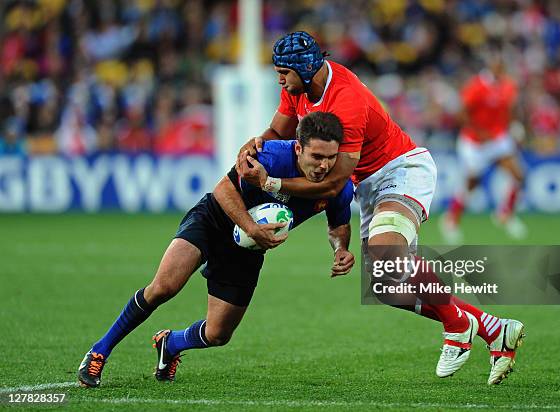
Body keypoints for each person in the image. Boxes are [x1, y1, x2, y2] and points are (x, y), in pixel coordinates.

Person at [237, 31, 524, 384]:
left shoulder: (346, 100)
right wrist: (251, 147)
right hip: (370, 186)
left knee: (389, 253)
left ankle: (457, 326)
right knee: (388, 286)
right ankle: (495, 329)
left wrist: (270, 184)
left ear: (306, 69)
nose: (279, 78)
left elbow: (333, 182)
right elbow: (276, 131)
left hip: (401, 170)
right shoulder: (298, 87)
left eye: (284, 72)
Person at [78, 111, 355, 388]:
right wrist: (250, 226)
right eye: (316, 157)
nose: (324, 166)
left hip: (248, 247)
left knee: (218, 334)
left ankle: (170, 343)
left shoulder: (338, 186)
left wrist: (340, 248)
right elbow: (223, 189)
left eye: (331, 158)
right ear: (298, 148)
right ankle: (100, 350)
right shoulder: (271, 156)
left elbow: (338, 225)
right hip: (214, 218)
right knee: (164, 287)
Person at [441, 53, 527, 244]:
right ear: (490, 66)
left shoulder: (508, 85)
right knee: (473, 182)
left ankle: (505, 215)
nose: (500, 68)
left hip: (497, 139)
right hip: (474, 141)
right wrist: (478, 132)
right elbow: (461, 113)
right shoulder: (477, 86)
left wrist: (515, 127)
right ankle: (451, 219)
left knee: (518, 175)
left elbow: (510, 110)